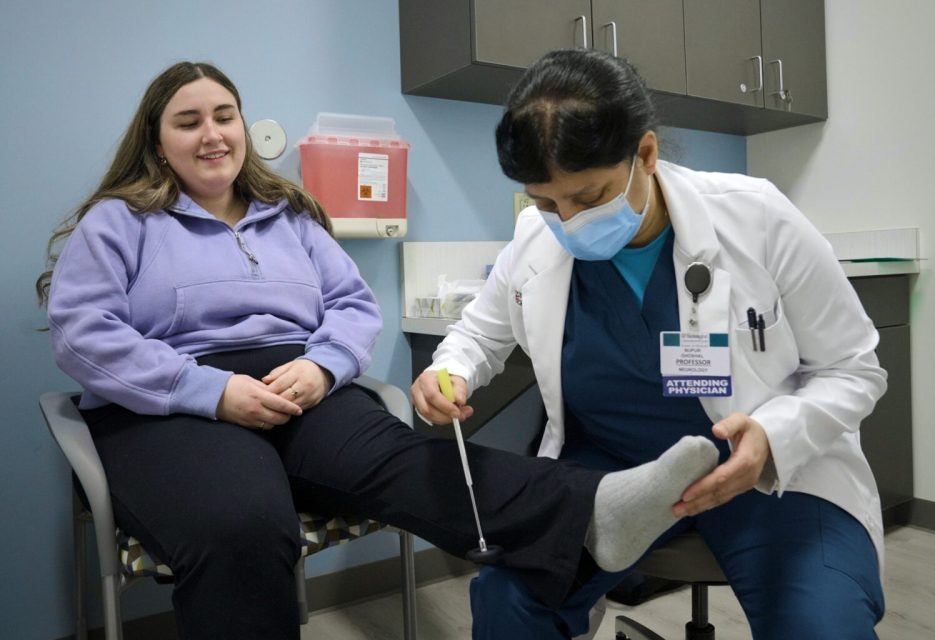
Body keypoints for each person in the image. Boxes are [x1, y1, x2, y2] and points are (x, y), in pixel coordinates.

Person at [38, 61, 723, 640]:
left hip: (297, 380)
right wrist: (211, 391)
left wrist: (322, 366)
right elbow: (83, 333)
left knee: (411, 461)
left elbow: (352, 307)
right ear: (158, 143)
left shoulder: (291, 216)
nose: (213, 133)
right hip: (172, 402)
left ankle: (597, 508)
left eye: (225, 115)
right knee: (243, 524)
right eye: (189, 121)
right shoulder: (120, 222)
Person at [412, 48, 887, 640]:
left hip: (767, 472)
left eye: (587, 197)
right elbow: (478, 335)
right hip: (610, 479)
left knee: (822, 626)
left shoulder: (756, 217)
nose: (567, 221)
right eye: (545, 202)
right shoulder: (537, 241)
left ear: (645, 153)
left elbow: (853, 370)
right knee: (510, 602)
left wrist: (774, 437)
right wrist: (449, 371)